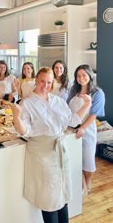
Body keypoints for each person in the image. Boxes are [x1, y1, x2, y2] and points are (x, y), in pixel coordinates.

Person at [11, 67, 92, 223]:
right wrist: (16, 117)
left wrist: (87, 105)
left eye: (49, 82)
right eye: (42, 81)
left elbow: (73, 121)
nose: (45, 85)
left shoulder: (57, 101)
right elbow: (24, 131)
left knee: (62, 193)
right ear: (36, 81)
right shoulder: (27, 103)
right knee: (48, 198)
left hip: (60, 151)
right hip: (42, 154)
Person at [67, 64, 105, 196]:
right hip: (70, 129)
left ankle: (88, 182)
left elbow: (93, 114)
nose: (81, 78)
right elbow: (68, 106)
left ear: (90, 76)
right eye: (78, 76)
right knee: (75, 158)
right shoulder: (73, 90)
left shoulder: (97, 93)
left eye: (84, 75)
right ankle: (81, 184)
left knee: (87, 159)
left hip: (86, 129)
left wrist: (82, 128)